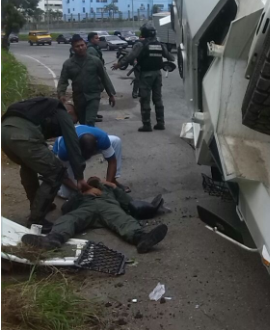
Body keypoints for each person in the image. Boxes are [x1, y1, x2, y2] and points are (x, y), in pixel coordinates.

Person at [1, 98, 90, 232]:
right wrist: (79, 176)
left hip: (4, 133)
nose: (73, 124)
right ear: (70, 111)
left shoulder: (41, 107)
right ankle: (36, 220)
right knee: (56, 171)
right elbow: (73, 144)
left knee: (28, 166)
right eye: (75, 120)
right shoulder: (61, 111)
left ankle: (37, 206)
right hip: (23, 135)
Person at [21, 177, 168, 254]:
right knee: (68, 220)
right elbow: (66, 209)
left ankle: (142, 239)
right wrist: (79, 193)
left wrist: (114, 188)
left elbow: (128, 203)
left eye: (95, 178)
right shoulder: (81, 194)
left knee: (123, 220)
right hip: (87, 208)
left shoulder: (108, 191)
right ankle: (53, 240)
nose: (92, 179)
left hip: (108, 206)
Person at [112, 23, 174, 132]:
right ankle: (160, 122)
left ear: (144, 33)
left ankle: (147, 124)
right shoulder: (160, 44)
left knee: (145, 99)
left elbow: (130, 56)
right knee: (158, 99)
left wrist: (119, 64)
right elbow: (171, 57)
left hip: (146, 74)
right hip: (157, 74)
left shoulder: (140, 44)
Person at [53, 124, 129, 197]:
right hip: (63, 152)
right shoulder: (64, 151)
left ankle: (113, 180)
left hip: (88, 142)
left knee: (116, 141)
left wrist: (107, 186)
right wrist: (81, 191)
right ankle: (54, 183)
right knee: (67, 194)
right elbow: (61, 174)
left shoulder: (102, 138)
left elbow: (112, 161)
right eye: (84, 156)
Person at [58, 34, 116, 127]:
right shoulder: (68, 64)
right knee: (82, 122)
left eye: (82, 45)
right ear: (73, 49)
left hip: (93, 96)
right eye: (77, 46)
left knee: (90, 121)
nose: (80, 48)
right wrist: (61, 94)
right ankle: (86, 140)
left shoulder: (95, 61)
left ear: (85, 45)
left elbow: (104, 77)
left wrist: (111, 94)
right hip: (78, 98)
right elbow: (63, 81)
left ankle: (91, 140)